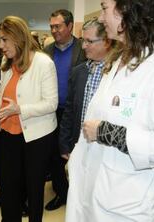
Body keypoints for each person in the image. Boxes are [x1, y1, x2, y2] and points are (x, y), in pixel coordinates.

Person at [66, 0, 154, 221]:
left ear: (128, 10)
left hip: (129, 206)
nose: (100, 17)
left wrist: (110, 133)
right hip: (93, 191)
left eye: (105, 8)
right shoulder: (118, 61)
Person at [0, 16, 58, 222]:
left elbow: (51, 104)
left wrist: (20, 109)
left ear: (18, 37)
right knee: (8, 187)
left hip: (36, 137)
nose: (0, 46)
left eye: (4, 40)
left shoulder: (43, 63)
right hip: (8, 134)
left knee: (33, 189)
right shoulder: (6, 61)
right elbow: (3, 92)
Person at [43, 8, 87, 211]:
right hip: (51, 111)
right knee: (53, 154)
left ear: (69, 26)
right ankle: (62, 192)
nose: (54, 30)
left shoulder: (83, 49)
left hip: (76, 112)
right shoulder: (47, 52)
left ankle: (80, 193)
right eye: (51, 26)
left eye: (58, 26)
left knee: (74, 153)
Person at [59, 18, 114, 158]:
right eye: (83, 40)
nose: (83, 46)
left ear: (107, 41)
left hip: (105, 149)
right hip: (79, 145)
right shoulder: (79, 72)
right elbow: (70, 109)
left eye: (89, 41)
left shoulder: (117, 73)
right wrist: (65, 144)